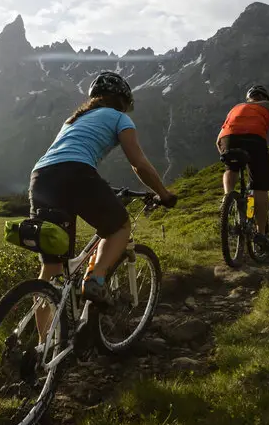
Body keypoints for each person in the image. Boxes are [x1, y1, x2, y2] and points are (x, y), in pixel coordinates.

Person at [28, 71, 176, 338]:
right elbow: (138, 163)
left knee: (50, 268)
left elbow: (69, 154)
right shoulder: (120, 118)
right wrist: (163, 193)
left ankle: (44, 348)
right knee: (119, 227)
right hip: (76, 173)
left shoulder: (73, 120)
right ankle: (94, 280)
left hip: (41, 176)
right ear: (122, 100)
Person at [216, 83, 269, 249]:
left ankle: (228, 198)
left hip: (227, 140)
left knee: (231, 168)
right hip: (254, 140)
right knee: (259, 187)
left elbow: (219, 140)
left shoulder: (237, 107)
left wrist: (227, 156)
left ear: (249, 99)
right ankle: (260, 233)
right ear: (265, 98)